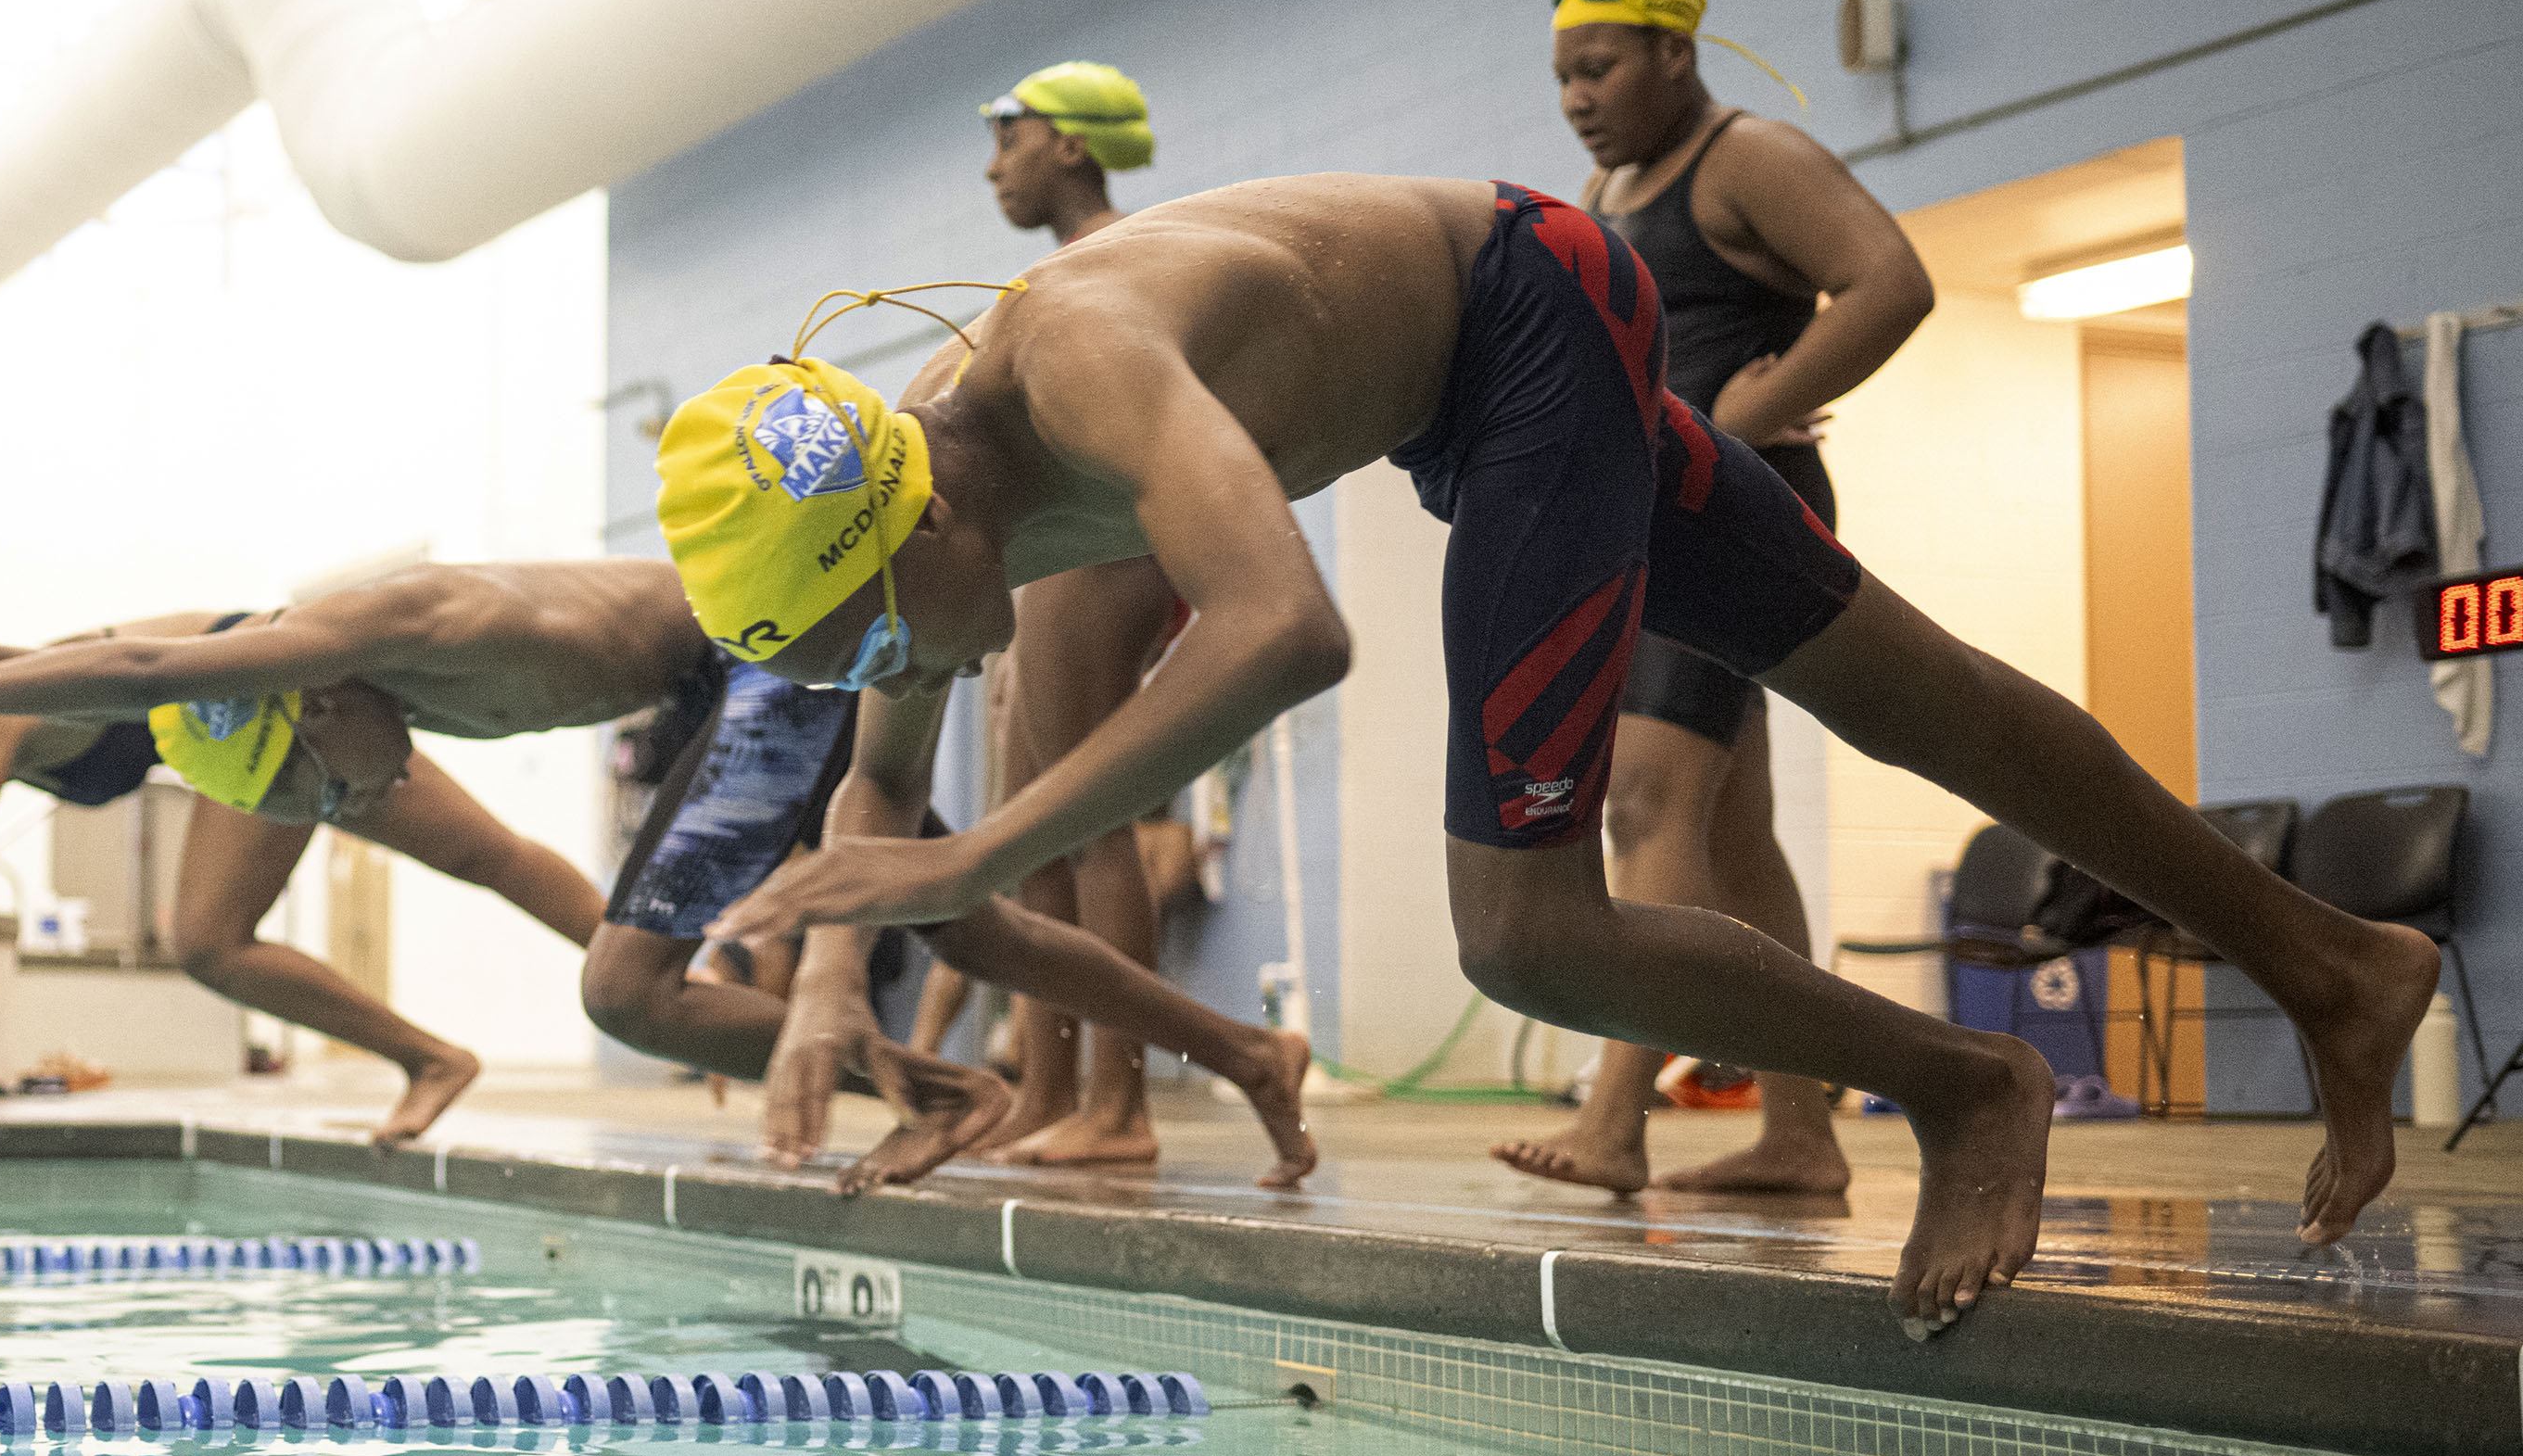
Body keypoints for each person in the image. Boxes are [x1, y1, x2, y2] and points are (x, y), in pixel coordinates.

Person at [660, 171, 2433, 1323]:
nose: (896, 667)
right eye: (852, 660)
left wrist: (971, 861)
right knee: (1908, 688)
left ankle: (1971, 1087)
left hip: (1528, 315)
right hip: (1488, 377)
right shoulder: (903, 537)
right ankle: (2337, 963)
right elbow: (878, 795)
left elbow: (1290, 631)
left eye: (881, 632)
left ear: (908, 526)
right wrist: (829, 991)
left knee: (1524, 931)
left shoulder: (1081, 366)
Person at [0, 557, 1322, 1189]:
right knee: (932, 906)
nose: (334, 806)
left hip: (771, 662)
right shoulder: (322, 692)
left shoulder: (374, 629)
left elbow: (161, 651)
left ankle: (936, 1091)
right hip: (730, 686)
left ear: (312, 704)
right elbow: (132, 660)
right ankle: (1246, 1050)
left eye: (307, 778)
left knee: (626, 991)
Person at [1490, 0, 1933, 1204]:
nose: (1576, 94)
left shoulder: (1751, 160)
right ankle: (1801, 1135)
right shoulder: (1613, 181)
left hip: (1726, 512)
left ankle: (1617, 1117)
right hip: (1654, 516)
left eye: (1599, 66)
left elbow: (1892, 281)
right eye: (1563, 74)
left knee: (1641, 805)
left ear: (1672, 53)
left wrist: (1759, 408)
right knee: (1734, 841)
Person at [0, 611, 602, 1147]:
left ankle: (643, 973)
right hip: (238, 709)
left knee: (222, 935)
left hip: (262, 691)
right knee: (465, 864)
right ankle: (512, 1025)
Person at [950, 60, 1194, 1168]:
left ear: (1074, 146)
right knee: (1023, 834)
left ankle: (1120, 1106)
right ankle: (1048, 1091)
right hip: (1061, 564)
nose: (996, 161)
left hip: (1116, 548)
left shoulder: (1132, 255)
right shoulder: (1058, 274)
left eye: (1014, 135)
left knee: (1093, 826)